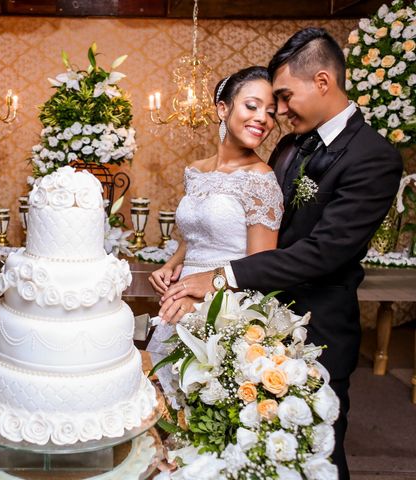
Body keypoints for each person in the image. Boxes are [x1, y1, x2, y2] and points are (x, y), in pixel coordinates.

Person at [158, 28, 403, 480]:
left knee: (316, 446)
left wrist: (217, 277)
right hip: (258, 313)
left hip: (318, 325)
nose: (280, 111)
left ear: (323, 82)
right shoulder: (292, 143)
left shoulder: (374, 157)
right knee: (244, 445)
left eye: (285, 97)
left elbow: (322, 252)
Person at [147, 65, 283, 402]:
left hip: (228, 306)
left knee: (200, 405)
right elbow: (196, 234)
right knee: (163, 405)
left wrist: (200, 300)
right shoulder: (195, 171)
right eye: (251, 106)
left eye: (270, 112)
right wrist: (172, 264)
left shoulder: (261, 180)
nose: (263, 119)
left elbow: (261, 268)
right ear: (223, 108)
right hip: (179, 299)